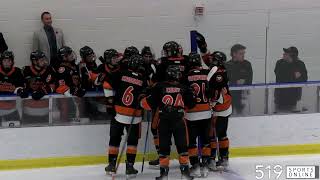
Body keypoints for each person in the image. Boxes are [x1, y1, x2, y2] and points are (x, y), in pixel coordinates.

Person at [140, 65, 196, 180]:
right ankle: (185, 173)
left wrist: (142, 98)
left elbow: (147, 105)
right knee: (182, 147)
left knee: (163, 147)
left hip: (163, 120)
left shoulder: (159, 86)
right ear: (177, 75)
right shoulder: (184, 87)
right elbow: (192, 104)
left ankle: (164, 174)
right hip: (179, 121)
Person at [104, 55, 147, 178]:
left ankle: (112, 164)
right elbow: (145, 98)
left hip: (118, 113)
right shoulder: (143, 79)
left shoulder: (120, 73)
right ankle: (130, 167)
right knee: (132, 142)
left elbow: (106, 83)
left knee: (114, 139)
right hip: (135, 116)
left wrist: (110, 102)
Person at [148, 41, 188, 167]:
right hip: (184, 100)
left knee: (156, 128)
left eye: (167, 51)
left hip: (164, 101)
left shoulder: (163, 62)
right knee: (185, 131)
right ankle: (191, 160)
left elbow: (153, 81)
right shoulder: (186, 60)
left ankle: (162, 156)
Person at [184, 52, 211, 178]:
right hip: (206, 112)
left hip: (191, 114)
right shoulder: (207, 73)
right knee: (206, 140)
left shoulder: (186, 76)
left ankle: (195, 166)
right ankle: (205, 166)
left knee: (192, 142)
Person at [22, 51, 56, 124]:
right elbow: (21, 86)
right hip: (28, 113)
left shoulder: (49, 70)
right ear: (34, 61)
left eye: (44, 59)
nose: (44, 61)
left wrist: (43, 91)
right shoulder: (26, 70)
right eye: (41, 60)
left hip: (46, 112)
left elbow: (53, 86)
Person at [274, 46, 308, 112]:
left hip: (294, 100)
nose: (283, 54)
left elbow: (304, 79)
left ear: (292, 56)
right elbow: (280, 76)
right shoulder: (279, 63)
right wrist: (294, 75)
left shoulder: (300, 64)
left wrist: (292, 75)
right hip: (279, 99)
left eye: (286, 53)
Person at [0, 51, 28, 123]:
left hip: (11, 109)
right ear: (1, 61)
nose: (6, 63)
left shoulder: (17, 72)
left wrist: (20, 90)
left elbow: (20, 86)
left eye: (9, 61)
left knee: (17, 129)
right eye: (4, 61)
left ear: (12, 62)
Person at [225, 44, 252, 115]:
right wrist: (234, 82)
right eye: (241, 53)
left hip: (243, 96)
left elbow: (250, 79)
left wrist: (245, 82)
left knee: (243, 116)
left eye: (244, 53)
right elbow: (224, 81)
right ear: (234, 54)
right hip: (229, 96)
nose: (243, 55)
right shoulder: (227, 66)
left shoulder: (247, 64)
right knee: (229, 116)